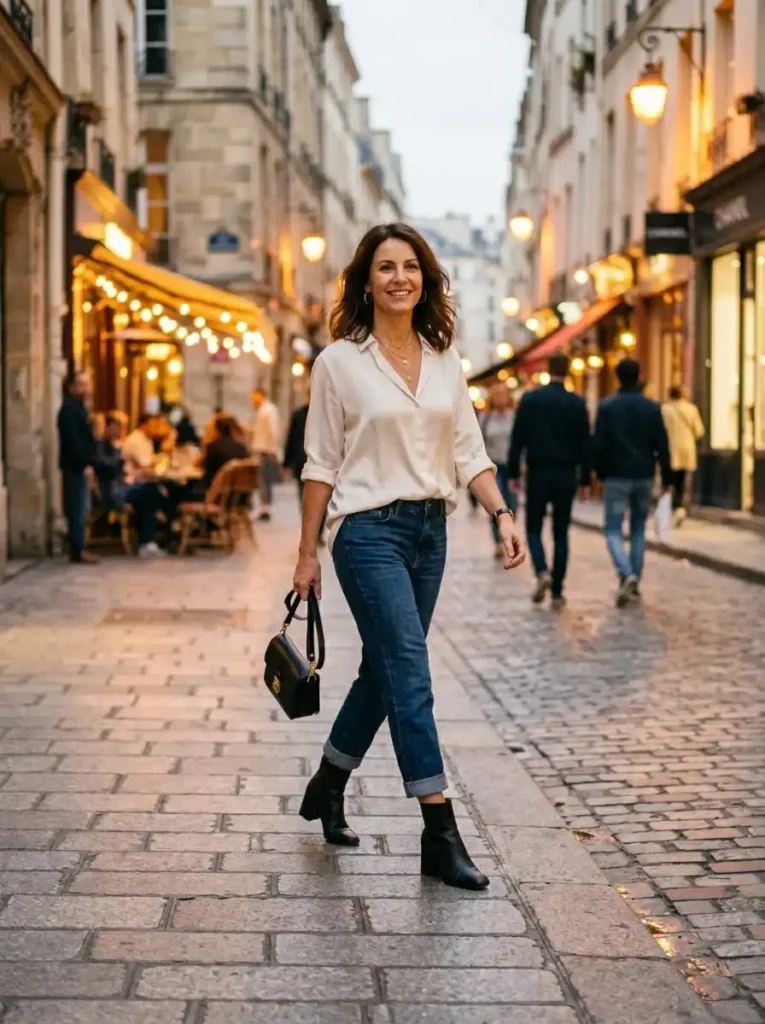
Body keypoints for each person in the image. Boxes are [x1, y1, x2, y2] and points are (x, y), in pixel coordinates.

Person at [293, 223, 526, 891]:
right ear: (366, 282)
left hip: (430, 534)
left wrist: (502, 513)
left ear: (425, 279)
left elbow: (469, 451)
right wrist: (306, 554)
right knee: (410, 670)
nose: (399, 277)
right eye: (386, 267)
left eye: (410, 266)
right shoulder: (339, 362)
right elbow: (320, 463)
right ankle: (438, 829)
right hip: (367, 533)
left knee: (385, 670)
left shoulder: (444, 358)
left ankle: (328, 782)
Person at [507, 353, 591, 609]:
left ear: (547, 369)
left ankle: (542, 570)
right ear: (568, 371)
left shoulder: (531, 400)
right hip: (566, 473)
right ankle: (557, 591)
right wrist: (585, 480)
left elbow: (518, 438)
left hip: (538, 472)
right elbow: (585, 444)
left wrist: (513, 472)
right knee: (561, 533)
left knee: (533, 528)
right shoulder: (577, 403)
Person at [592, 358, 672, 607]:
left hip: (617, 476)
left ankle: (626, 574)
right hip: (644, 475)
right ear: (638, 377)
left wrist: (599, 473)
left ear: (617, 377)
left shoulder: (607, 407)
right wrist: (667, 477)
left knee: (613, 529)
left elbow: (599, 442)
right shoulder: (651, 408)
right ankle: (633, 578)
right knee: (638, 528)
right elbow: (662, 444)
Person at [93, 414, 166, 559]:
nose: (121, 431)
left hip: (120, 486)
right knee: (150, 492)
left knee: (150, 492)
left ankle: (149, 538)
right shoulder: (101, 446)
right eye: (118, 428)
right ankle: (148, 539)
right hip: (111, 491)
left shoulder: (113, 445)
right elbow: (110, 469)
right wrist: (121, 462)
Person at [57, 371, 99, 565]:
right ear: (71, 387)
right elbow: (73, 442)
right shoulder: (68, 411)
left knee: (82, 508)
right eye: (82, 385)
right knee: (77, 508)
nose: (86, 389)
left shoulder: (80, 408)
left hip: (81, 465)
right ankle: (77, 549)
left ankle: (79, 547)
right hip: (75, 467)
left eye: (86, 384)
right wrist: (84, 464)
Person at [479, 383, 518, 559]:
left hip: (511, 466)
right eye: (497, 395)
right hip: (493, 467)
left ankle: (509, 536)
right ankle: (497, 542)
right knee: (496, 504)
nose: (500, 399)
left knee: (512, 503)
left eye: (503, 395)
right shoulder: (486, 418)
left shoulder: (514, 417)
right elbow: (479, 442)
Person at [662, 385, 704, 525]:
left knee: (669, 481)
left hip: (669, 449)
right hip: (686, 449)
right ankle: (679, 507)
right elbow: (699, 431)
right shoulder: (691, 409)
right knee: (681, 480)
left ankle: (673, 507)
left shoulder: (664, 410)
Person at [251, 387, 280, 521]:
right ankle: (263, 506)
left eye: (254, 397)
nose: (252, 400)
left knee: (265, 479)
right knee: (261, 480)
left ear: (260, 395)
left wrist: (272, 450)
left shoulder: (269, 410)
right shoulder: (262, 410)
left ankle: (266, 508)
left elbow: (273, 431)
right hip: (261, 449)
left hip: (266, 451)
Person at [202, 414, 248, 491]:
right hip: (236, 493)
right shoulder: (242, 448)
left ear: (216, 429)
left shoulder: (213, 447)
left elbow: (207, 474)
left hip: (214, 491)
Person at [122, 414, 158, 483]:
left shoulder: (148, 439)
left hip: (145, 478)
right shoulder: (133, 439)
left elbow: (151, 460)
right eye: (153, 425)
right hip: (134, 480)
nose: (155, 428)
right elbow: (142, 465)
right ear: (144, 425)